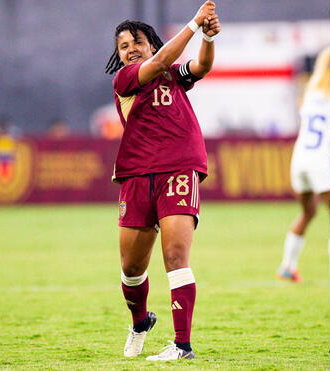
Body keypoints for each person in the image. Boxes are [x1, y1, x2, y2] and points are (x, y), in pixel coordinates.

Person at [104, 1, 221, 361]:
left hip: (180, 169)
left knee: (175, 256)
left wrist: (208, 37)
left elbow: (200, 65)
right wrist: (194, 22)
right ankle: (140, 322)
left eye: (137, 42)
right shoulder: (125, 79)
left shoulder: (172, 72)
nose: (131, 50)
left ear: (152, 43)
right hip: (137, 175)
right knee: (131, 268)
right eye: (124, 46)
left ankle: (182, 345)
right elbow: (155, 64)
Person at [277, 47, 330, 283]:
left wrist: (326, 54)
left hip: (300, 160)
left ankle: (287, 267)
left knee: (307, 213)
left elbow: (321, 66)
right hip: (320, 161)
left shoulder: (312, 92)